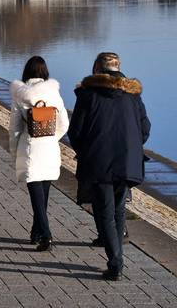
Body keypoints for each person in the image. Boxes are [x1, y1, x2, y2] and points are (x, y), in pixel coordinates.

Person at [68, 52, 151, 281]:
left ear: (97, 68)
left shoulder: (87, 94)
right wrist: (131, 148)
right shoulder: (132, 95)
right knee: (118, 209)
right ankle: (117, 258)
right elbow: (144, 129)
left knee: (104, 211)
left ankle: (116, 262)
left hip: (98, 161)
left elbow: (75, 132)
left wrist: (86, 152)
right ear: (118, 68)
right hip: (126, 161)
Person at [8, 56, 69, 252]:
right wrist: (51, 137)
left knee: (36, 198)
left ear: (26, 72)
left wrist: (14, 150)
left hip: (30, 148)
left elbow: (15, 128)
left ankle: (46, 236)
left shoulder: (20, 95)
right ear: (44, 72)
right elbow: (64, 124)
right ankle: (36, 232)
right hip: (50, 149)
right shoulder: (55, 95)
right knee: (43, 195)